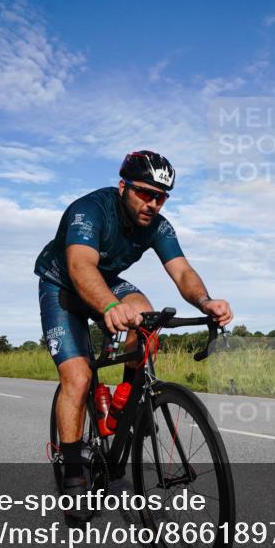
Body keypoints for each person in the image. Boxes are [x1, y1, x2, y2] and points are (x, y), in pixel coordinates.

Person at [34, 150, 233, 519]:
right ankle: (74, 473)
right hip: (62, 286)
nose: (153, 204)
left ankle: (125, 403)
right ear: (123, 186)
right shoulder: (89, 210)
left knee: (147, 318)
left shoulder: (157, 225)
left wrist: (205, 301)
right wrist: (110, 306)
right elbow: (80, 265)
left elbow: (182, 271)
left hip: (105, 280)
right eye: (145, 193)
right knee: (77, 377)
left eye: (161, 197)